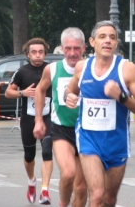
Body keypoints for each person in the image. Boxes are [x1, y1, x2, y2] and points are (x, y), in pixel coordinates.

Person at [65, 21, 135, 207]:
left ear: (116, 43)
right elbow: (69, 91)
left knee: (109, 200)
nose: (107, 41)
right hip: (89, 139)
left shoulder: (126, 69)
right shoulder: (82, 67)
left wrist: (121, 97)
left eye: (112, 37)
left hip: (116, 142)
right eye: (102, 37)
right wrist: (69, 97)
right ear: (92, 42)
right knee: (96, 195)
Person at [33, 28, 87, 207]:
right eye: (68, 48)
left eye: (77, 48)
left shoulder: (92, 69)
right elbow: (40, 89)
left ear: (84, 48)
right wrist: (39, 119)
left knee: (81, 188)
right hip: (62, 129)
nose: (72, 53)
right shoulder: (53, 69)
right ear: (62, 48)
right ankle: (63, 203)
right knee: (69, 173)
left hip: (87, 132)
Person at [5, 38, 53, 205]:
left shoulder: (51, 69)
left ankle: (45, 190)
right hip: (28, 118)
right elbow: (7, 93)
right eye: (34, 52)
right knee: (29, 155)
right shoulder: (22, 72)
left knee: (47, 152)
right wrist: (22, 93)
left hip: (48, 116)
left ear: (45, 53)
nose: (38, 55)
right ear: (28, 54)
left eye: (41, 52)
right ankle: (32, 181)